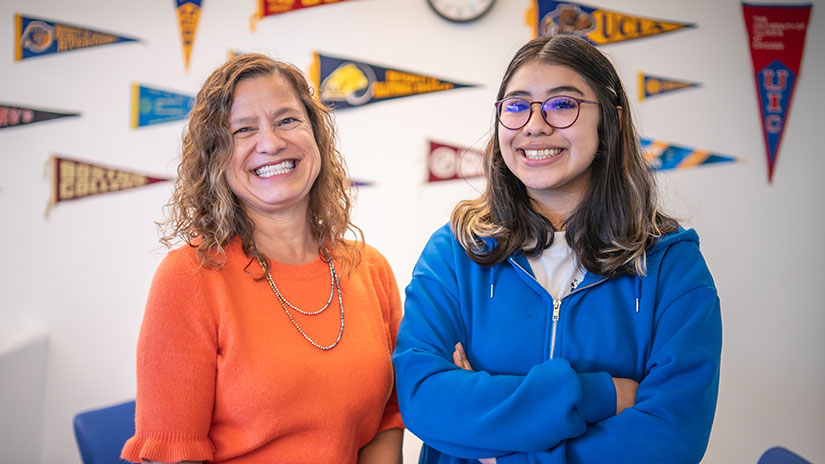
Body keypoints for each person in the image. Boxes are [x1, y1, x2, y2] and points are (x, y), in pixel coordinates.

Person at [393, 34, 721, 464]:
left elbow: (671, 436)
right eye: (516, 106)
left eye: (562, 104)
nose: (534, 124)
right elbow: (425, 399)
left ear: (611, 121)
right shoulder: (454, 253)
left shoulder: (672, 266)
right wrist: (599, 394)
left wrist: (505, 453)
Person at [121, 53, 404, 464]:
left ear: (316, 134)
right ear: (216, 157)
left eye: (287, 120)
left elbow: (386, 419)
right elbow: (174, 455)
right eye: (243, 130)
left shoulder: (370, 268)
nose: (270, 143)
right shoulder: (191, 276)